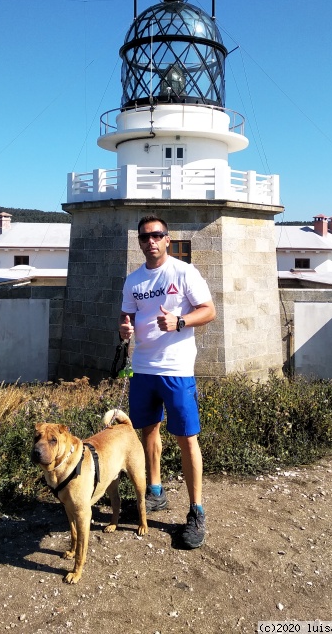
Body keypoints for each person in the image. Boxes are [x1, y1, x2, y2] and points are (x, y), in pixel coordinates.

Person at [118, 215, 216, 549]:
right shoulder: (133, 280)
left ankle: (196, 510)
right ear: (140, 242)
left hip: (176, 369)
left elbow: (209, 310)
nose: (151, 242)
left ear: (168, 239)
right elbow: (127, 314)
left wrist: (181, 321)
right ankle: (155, 492)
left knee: (187, 438)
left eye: (157, 236)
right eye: (145, 237)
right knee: (148, 431)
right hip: (143, 367)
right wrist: (125, 328)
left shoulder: (184, 272)